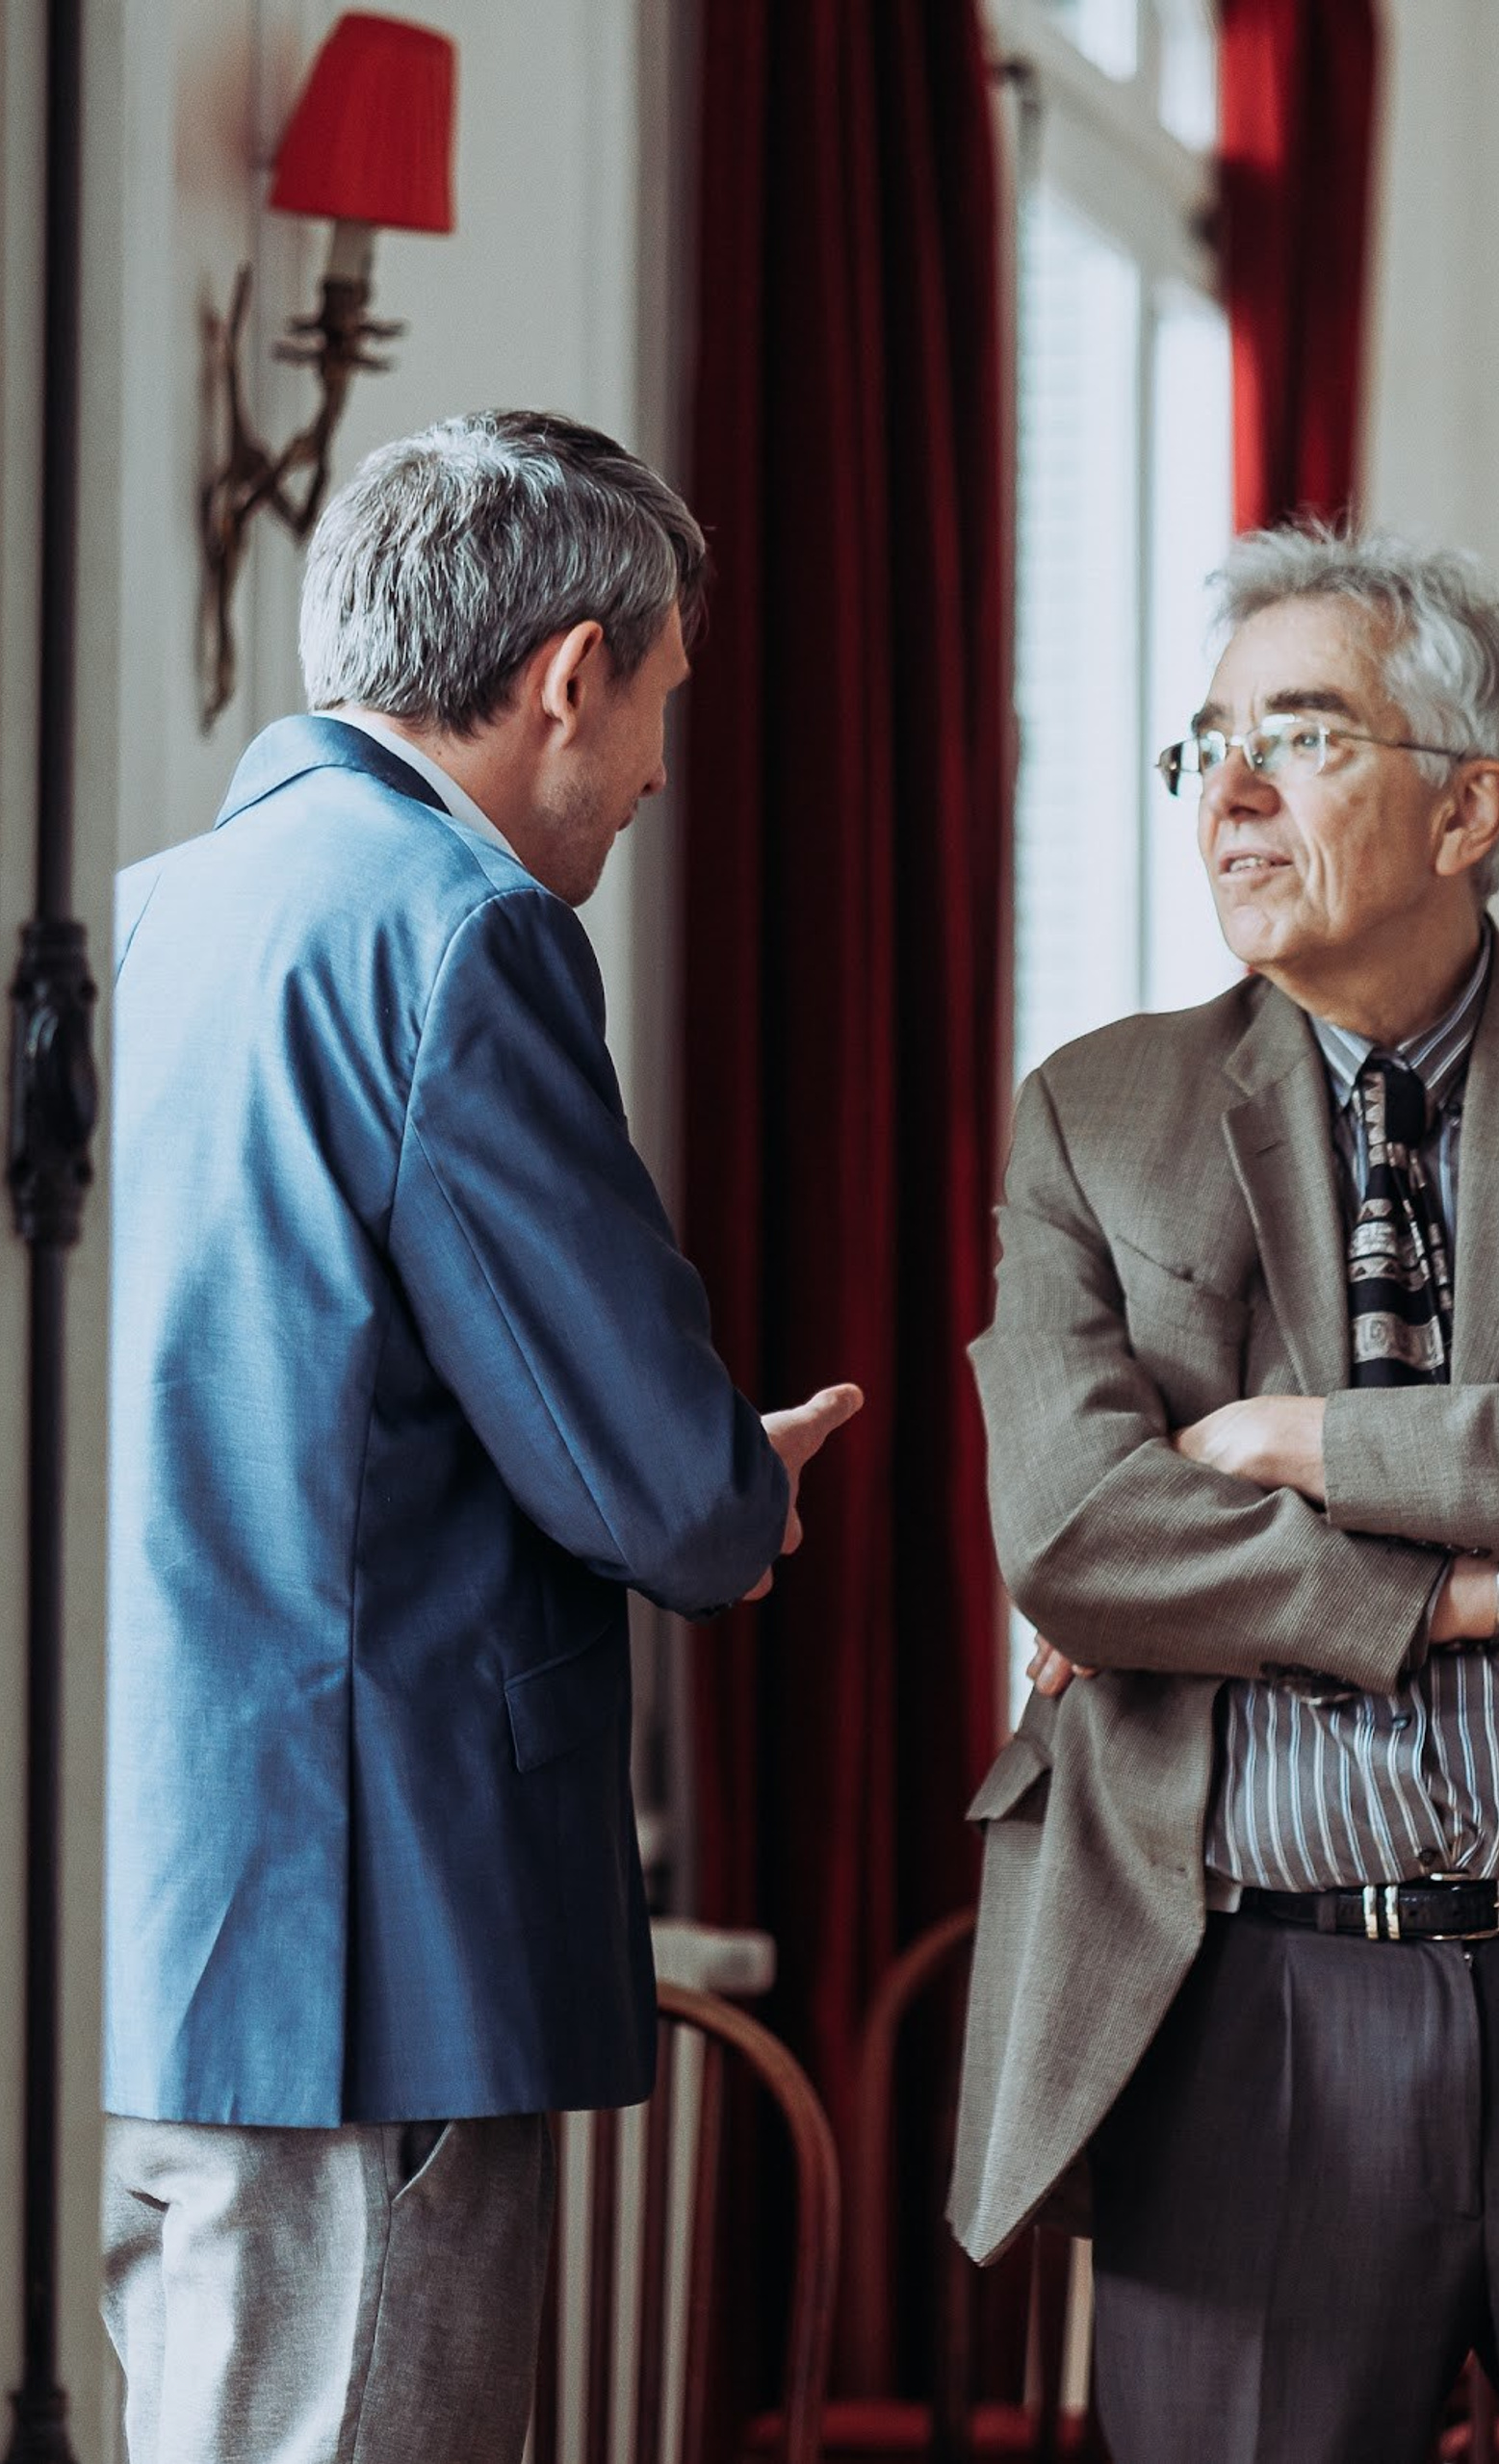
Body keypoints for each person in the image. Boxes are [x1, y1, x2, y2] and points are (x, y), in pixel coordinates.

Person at [952, 527, 1499, 2464]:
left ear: (1464, 805)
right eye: (1205, 748)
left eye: (1302, 736)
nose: (1230, 794)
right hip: (1239, 1989)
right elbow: (1078, 1538)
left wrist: (1297, 1441)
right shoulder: (1096, 1109)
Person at [104, 409, 861, 2464]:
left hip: (173, 1914)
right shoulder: (461, 925)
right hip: (382, 1931)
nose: (654, 773)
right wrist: (738, 1482)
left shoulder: (166, 907)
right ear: (563, 677)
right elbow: (650, 1475)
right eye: (656, 706)